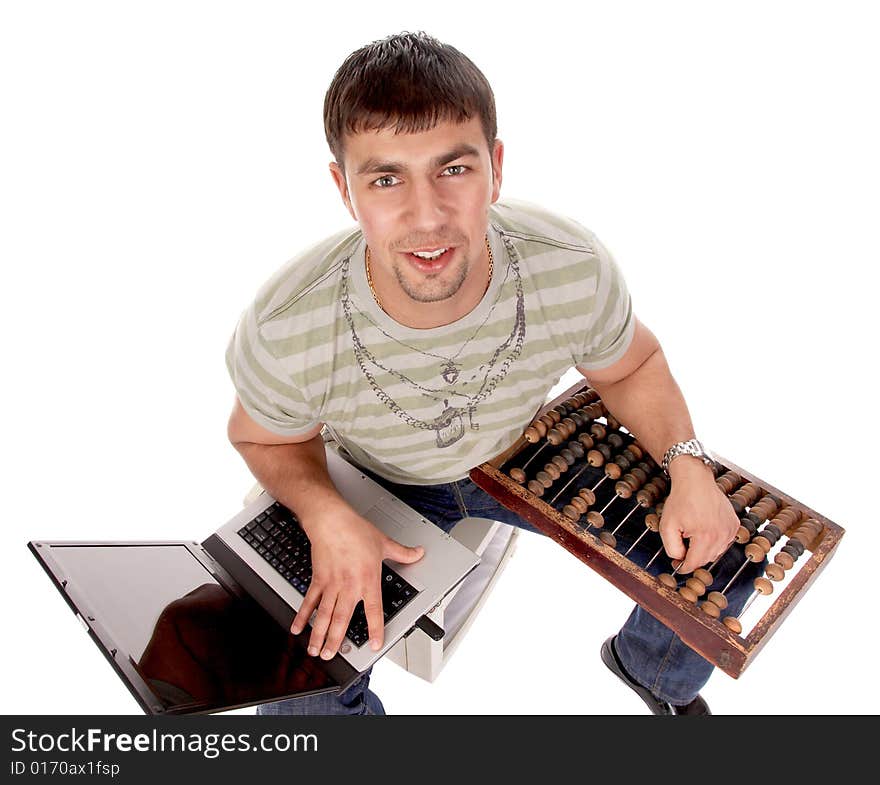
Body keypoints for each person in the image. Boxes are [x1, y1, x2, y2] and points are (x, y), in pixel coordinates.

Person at [225, 31, 759, 716]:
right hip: (378, 478)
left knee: (729, 552)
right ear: (344, 189)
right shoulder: (288, 319)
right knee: (301, 666)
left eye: (454, 169)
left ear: (496, 168)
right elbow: (261, 436)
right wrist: (327, 514)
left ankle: (651, 670)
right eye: (386, 178)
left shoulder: (567, 263)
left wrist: (687, 466)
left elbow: (634, 364)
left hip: (522, 452)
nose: (427, 215)